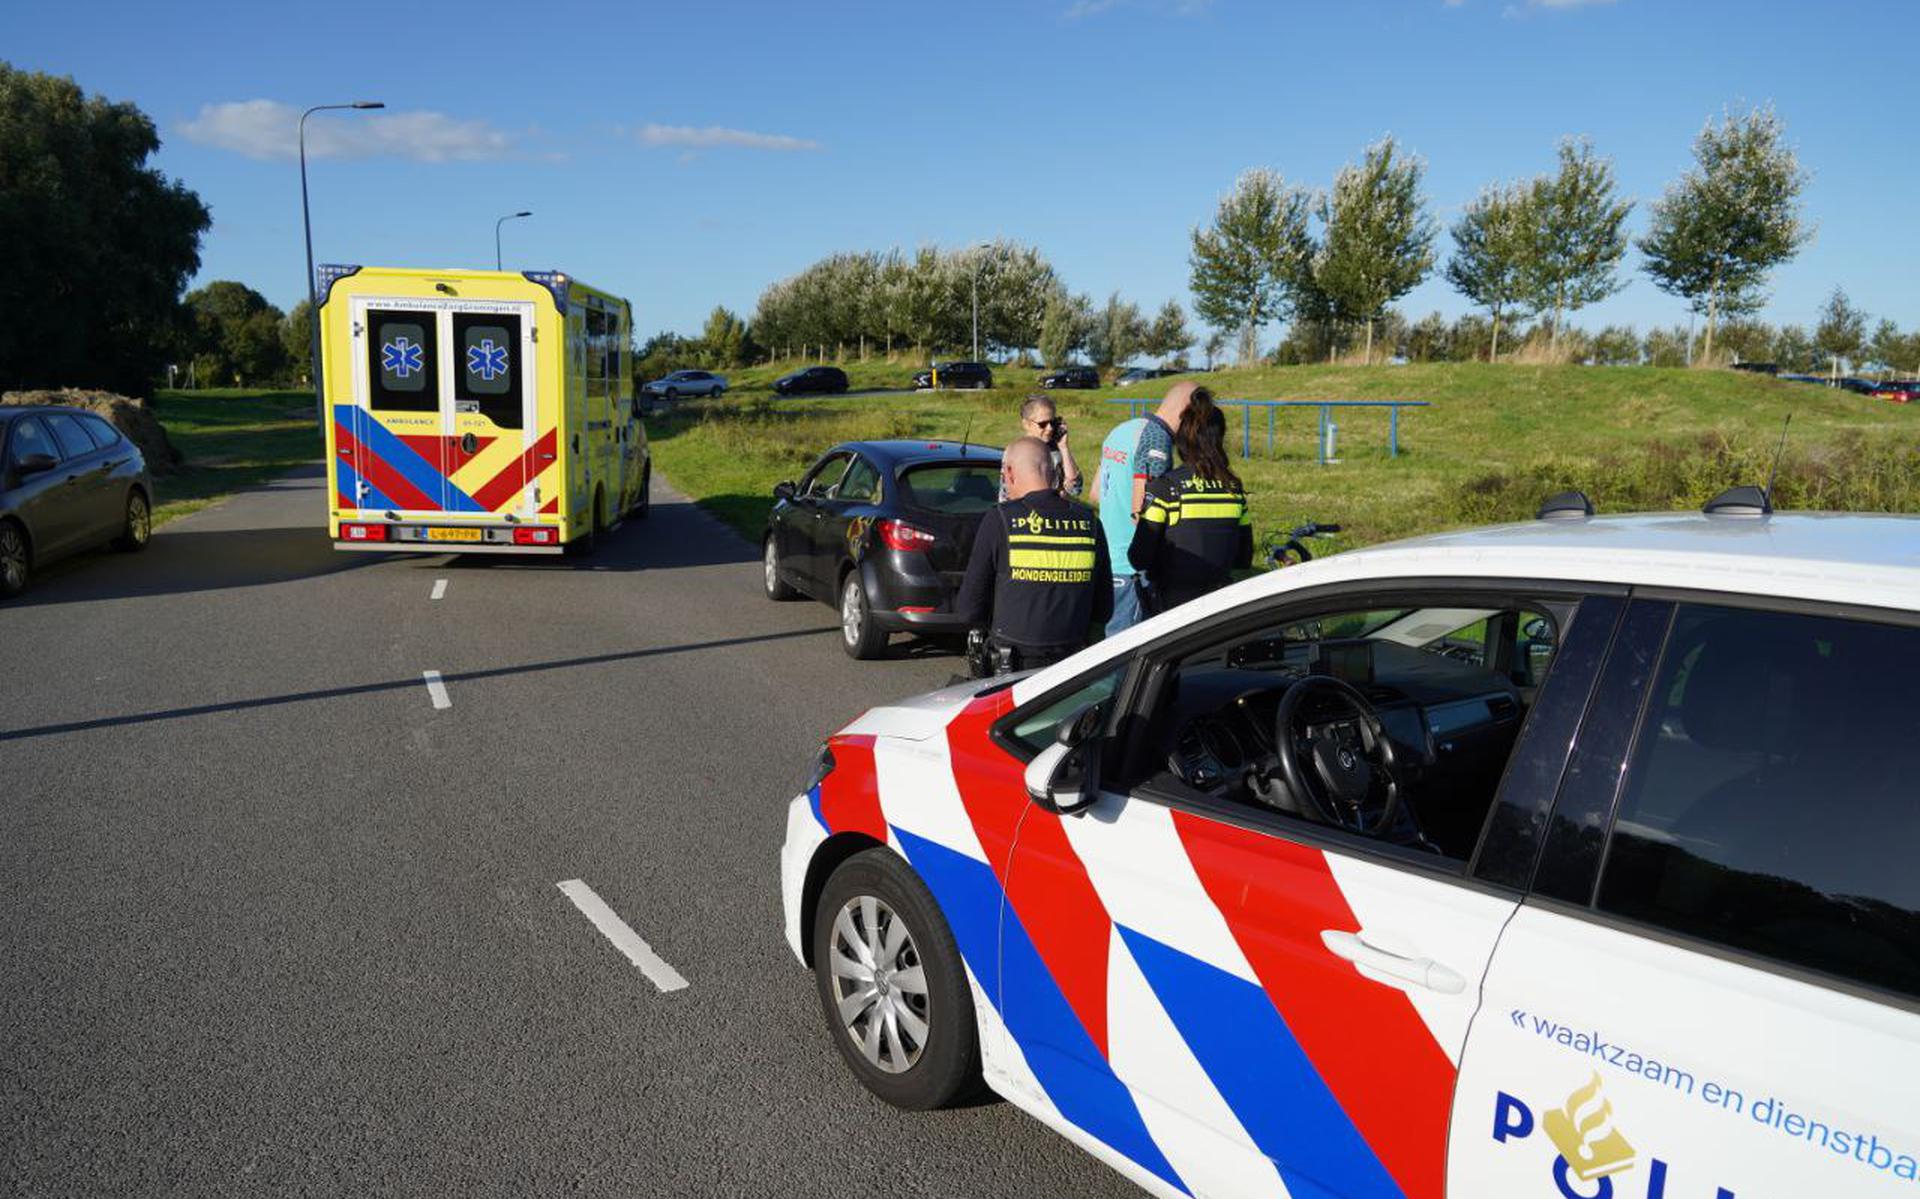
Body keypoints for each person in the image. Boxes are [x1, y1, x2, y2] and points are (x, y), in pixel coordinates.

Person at [956, 437, 1113, 675]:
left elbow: (969, 609)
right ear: (1054, 472)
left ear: (1009, 472)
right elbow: (1104, 608)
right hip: (1072, 668)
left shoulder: (1000, 520)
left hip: (1012, 668)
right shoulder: (1090, 522)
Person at [1127, 389, 1253, 613]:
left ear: (1182, 440)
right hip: (1221, 607)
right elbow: (1244, 558)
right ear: (1220, 438)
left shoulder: (1166, 489)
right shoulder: (1234, 489)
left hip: (1175, 612)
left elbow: (1139, 558)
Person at [1089, 381, 1195, 634]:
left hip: (1109, 562)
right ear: (1186, 413)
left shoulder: (1122, 430)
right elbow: (1146, 511)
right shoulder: (1157, 441)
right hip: (1134, 570)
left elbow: (1095, 494)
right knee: (1127, 661)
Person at [999, 394, 1081, 501]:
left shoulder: (1057, 450)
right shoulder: (1016, 453)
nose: (1050, 428)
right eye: (1043, 424)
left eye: (1052, 422)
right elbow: (1007, 494)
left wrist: (1064, 447)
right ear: (1026, 424)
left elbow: (1075, 490)